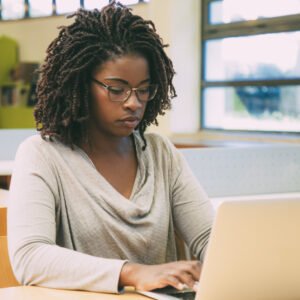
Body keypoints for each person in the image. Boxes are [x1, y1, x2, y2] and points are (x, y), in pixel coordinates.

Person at [8, 1, 215, 294]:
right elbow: (30, 257)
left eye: (144, 89)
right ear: (79, 85)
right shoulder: (42, 155)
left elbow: (211, 238)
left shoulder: (160, 153)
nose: (134, 103)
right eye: (117, 90)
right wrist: (132, 273)